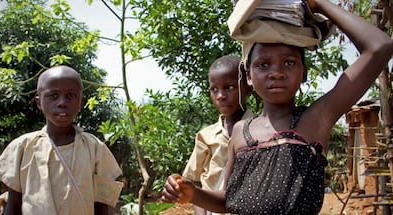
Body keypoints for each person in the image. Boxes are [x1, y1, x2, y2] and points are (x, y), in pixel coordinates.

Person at [161, 0, 393, 214]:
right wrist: (192, 193)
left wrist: (319, 4)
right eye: (263, 64)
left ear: (304, 73)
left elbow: (379, 46)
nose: (276, 72)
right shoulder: (242, 132)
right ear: (248, 76)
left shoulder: (315, 120)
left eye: (289, 62)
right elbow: (228, 201)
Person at [0, 65, 123, 215]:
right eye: (53, 95)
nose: (62, 103)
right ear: (39, 102)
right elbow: (14, 204)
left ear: (81, 101)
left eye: (71, 95)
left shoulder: (95, 148)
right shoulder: (22, 147)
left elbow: (102, 207)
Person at [182, 55, 253, 215]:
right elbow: (194, 181)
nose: (220, 95)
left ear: (248, 86)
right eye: (215, 89)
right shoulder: (205, 136)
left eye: (229, 87)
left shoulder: (261, 132)